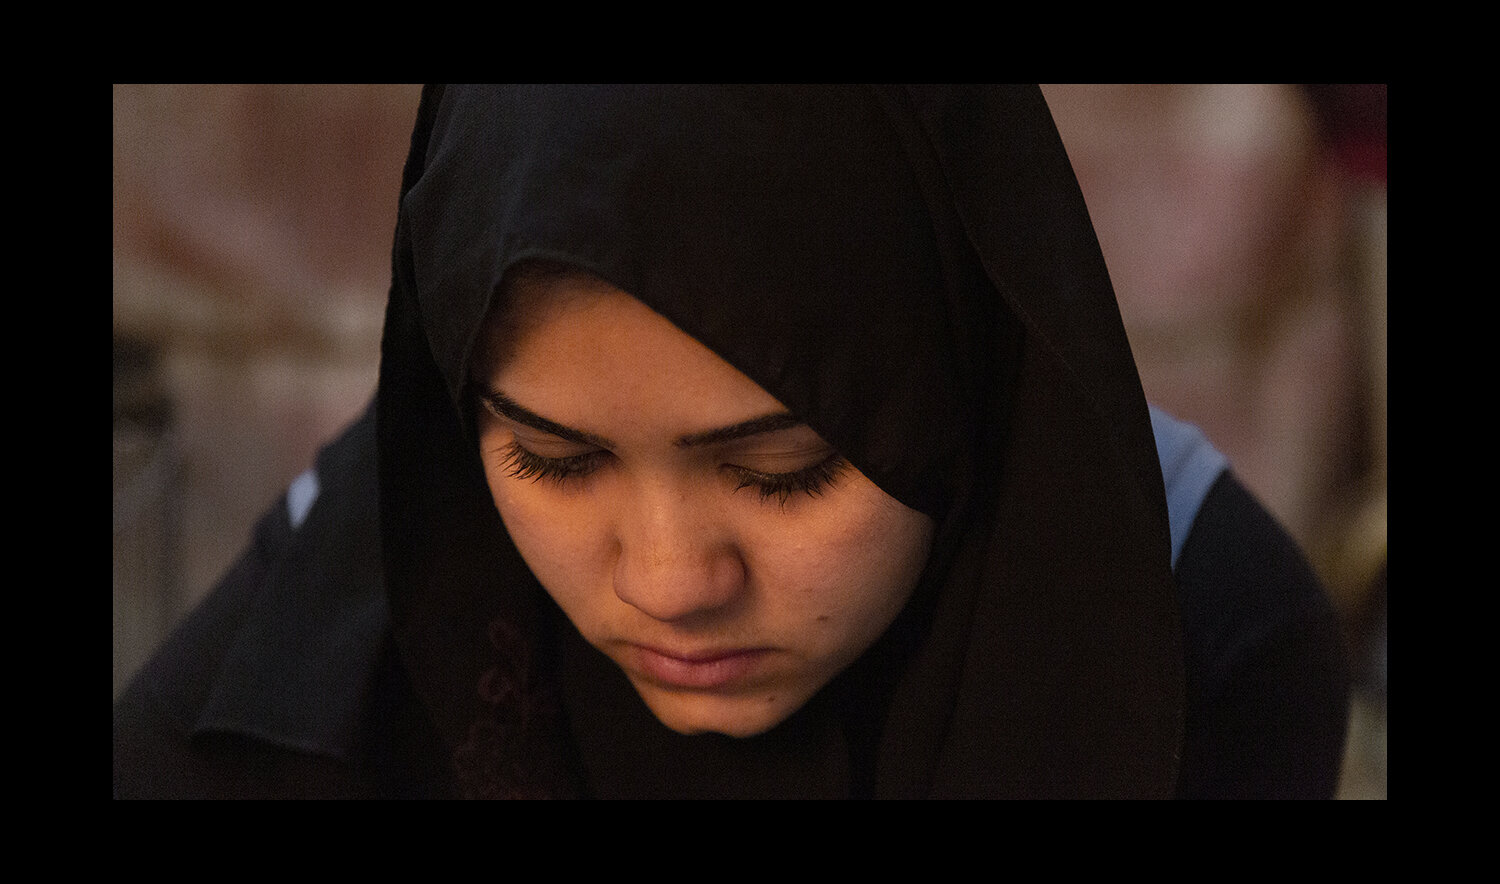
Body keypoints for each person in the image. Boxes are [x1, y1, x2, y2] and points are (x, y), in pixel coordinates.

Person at [112, 85, 1349, 799]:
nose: (667, 584)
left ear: (956, 376)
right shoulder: (387, 560)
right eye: (554, 459)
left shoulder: (1200, 636)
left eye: (781, 472)